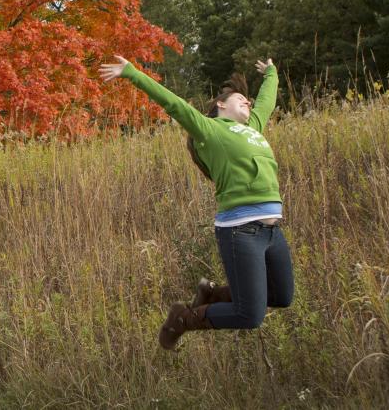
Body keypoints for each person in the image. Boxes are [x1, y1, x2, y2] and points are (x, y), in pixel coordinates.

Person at [99, 55, 295, 350]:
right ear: (220, 105)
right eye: (241, 99)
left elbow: (266, 99)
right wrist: (132, 73)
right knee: (249, 315)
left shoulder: (253, 127)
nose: (249, 103)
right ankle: (183, 318)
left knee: (282, 296)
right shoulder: (209, 130)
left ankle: (212, 295)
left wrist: (272, 72)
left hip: (271, 232)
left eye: (249, 101)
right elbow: (174, 104)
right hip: (240, 231)